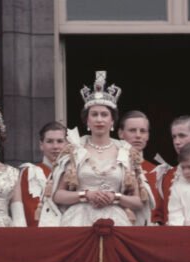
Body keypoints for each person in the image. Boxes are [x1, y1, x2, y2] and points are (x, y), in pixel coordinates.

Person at [47, 71, 153, 227]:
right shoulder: (75, 150)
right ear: (87, 121)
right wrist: (86, 195)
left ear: (112, 121)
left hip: (116, 221)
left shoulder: (125, 152)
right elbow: (58, 195)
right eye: (94, 114)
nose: (99, 119)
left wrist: (115, 197)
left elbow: (138, 202)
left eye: (104, 114)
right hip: (78, 221)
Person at [19, 121, 66, 227]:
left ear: (67, 144)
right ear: (41, 145)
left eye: (60, 141)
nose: (55, 146)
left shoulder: (74, 174)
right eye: (50, 141)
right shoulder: (31, 172)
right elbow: (30, 212)